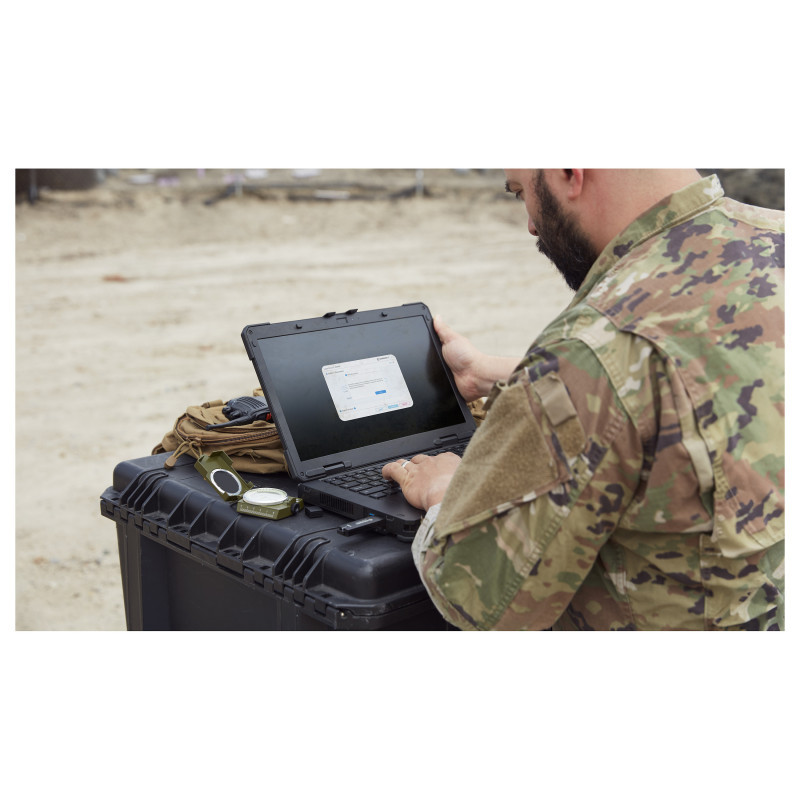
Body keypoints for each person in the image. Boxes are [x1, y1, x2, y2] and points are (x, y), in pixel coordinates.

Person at [382, 169, 785, 631]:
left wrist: (445, 492)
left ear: (570, 172)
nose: (530, 225)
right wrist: (487, 373)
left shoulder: (597, 341)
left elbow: (477, 597)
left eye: (521, 192)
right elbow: (697, 364)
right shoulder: (778, 237)